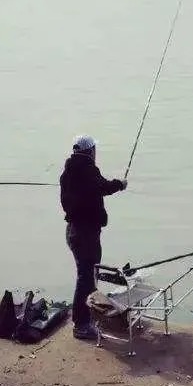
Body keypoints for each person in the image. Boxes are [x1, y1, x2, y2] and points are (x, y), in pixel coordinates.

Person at [59, 134, 127, 340]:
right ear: (90, 151)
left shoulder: (68, 172)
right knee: (86, 278)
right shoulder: (87, 169)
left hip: (73, 231)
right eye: (94, 150)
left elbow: (92, 189)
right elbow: (103, 186)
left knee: (87, 276)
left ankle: (85, 319)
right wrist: (121, 184)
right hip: (84, 233)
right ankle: (81, 325)